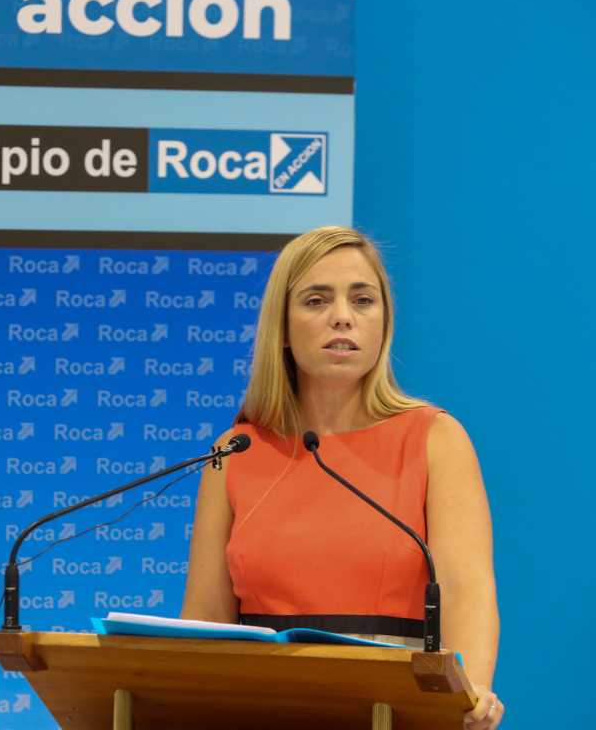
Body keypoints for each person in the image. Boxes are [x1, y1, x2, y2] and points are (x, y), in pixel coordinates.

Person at [180, 227, 502, 729]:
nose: (343, 316)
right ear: (282, 328)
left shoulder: (434, 438)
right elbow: (204, 617)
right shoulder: (235, 450)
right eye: (315, 299)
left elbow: (466, 588)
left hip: (398, 707)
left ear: (383, 322)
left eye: (363, 300)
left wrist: (468, 696)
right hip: (255, 708)